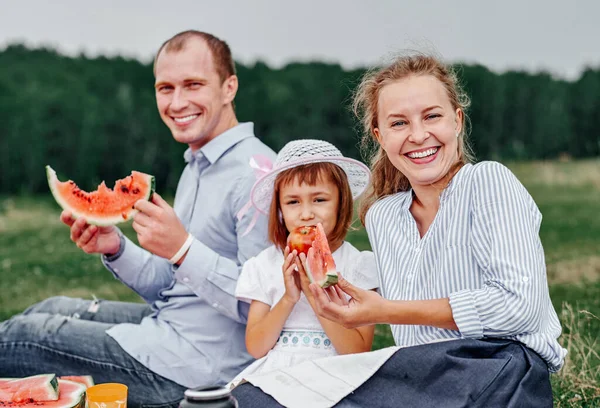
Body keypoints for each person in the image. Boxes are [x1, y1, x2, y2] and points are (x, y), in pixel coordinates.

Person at [238, 54, 568, 407]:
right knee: (256, 397)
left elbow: (519, 308)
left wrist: (384, 310)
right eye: (399, 123)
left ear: (457, 120)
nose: (418, 134)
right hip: (421, 374)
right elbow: (411, 341)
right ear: (380, 136)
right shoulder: (383, 217)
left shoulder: (487, 181)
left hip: (500, 365)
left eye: (432, 116)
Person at [0, 30, 275, 407]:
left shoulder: (257, 176)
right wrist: (115, 247)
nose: (177, 102)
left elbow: (264, 308)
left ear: (229, 88)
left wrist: (182, 247)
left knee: (19, 336)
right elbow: (170, 286)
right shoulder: (199, 163)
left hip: (199, 371)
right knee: (50, 308)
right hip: (170, 328)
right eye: (165, 88)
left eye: (193, 85)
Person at [228, 139, 378, 392]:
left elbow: (356, 350)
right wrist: (289, 297)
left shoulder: (358, 265)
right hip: (276, 375)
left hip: (335, 375)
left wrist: (314, 292)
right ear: (279, 210)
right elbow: (256, 347)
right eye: (293, 202)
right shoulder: (264, 265)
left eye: (319, 200)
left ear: (342, 203)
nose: (306, 213)